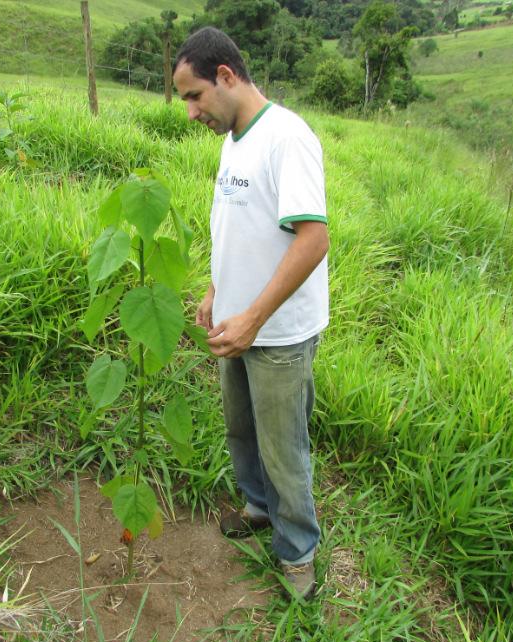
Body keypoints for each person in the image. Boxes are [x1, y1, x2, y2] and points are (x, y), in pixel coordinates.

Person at [173, 27, 330, 599]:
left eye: (194, 96)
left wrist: (255, 319)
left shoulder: (287, 138)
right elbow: (235, 224)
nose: (191, 112)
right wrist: (218, 290)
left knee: (283, 447)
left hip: (277, 331)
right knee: (241, 428)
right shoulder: (233, 137)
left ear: (226, 76)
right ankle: (260, 509)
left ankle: (298, 552)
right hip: (234, 323)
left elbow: (313, 239)